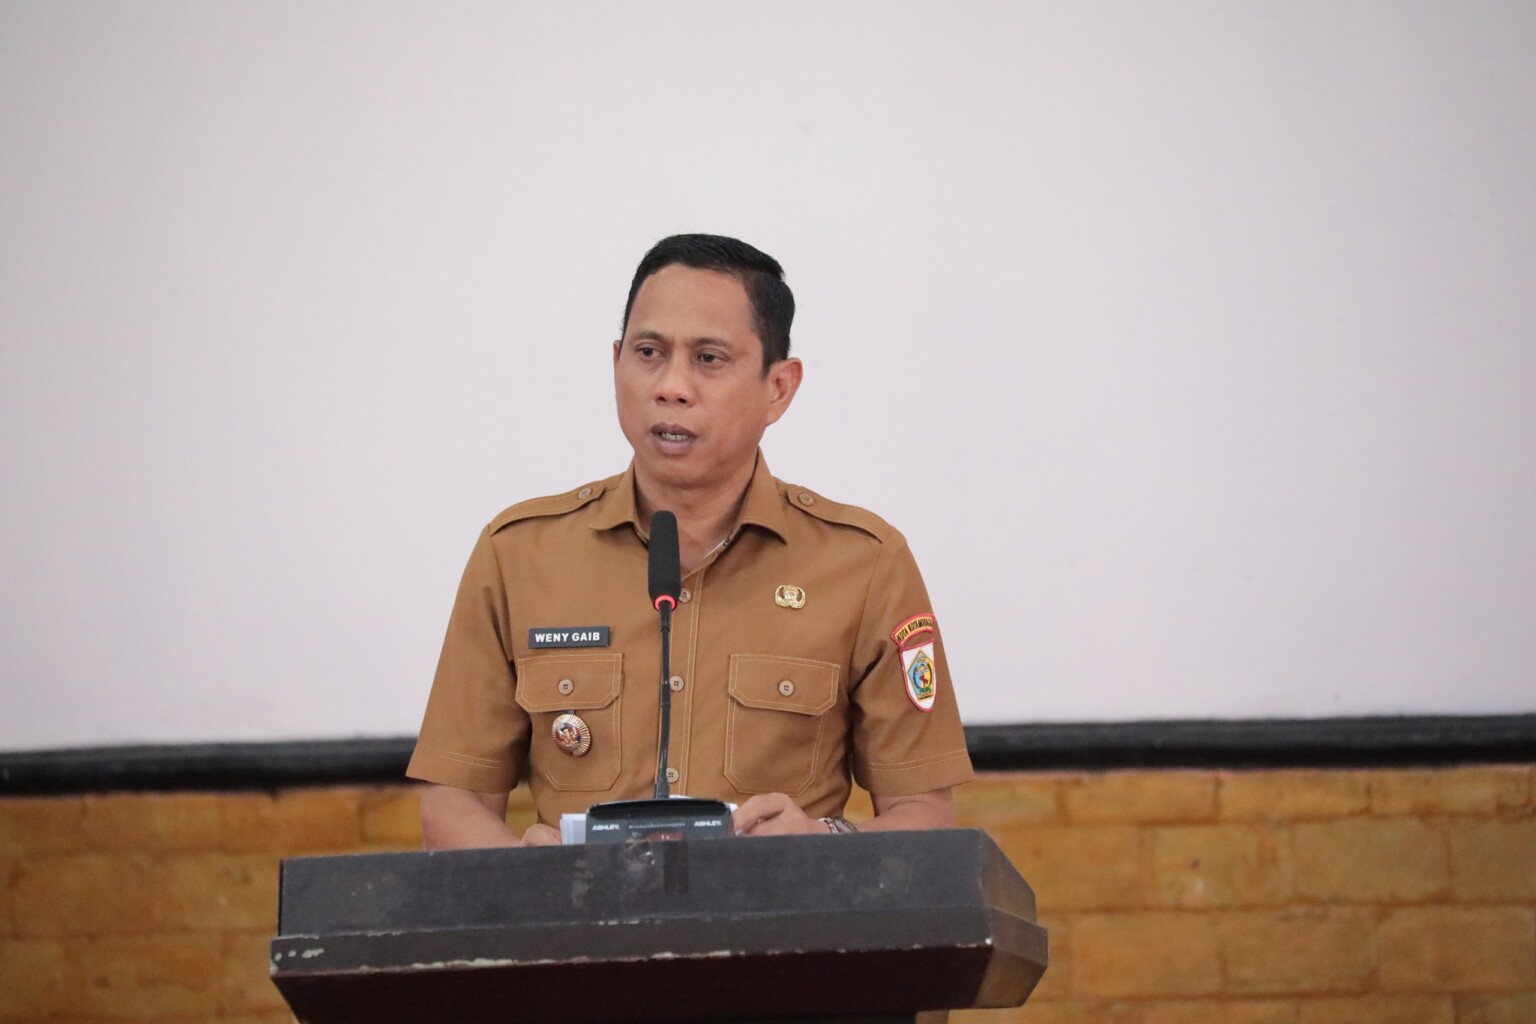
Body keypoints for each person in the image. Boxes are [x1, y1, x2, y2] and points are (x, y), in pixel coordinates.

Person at [407, 234, 972, 847]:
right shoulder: (519, 555)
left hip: (779, 908)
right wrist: (528, 874)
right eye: (649, 352)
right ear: (617, 363)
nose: (671, 386)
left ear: (778, 388)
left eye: (708, 358)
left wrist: (822, 840)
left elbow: (924, 815)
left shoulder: (864, 565)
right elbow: (453, 803)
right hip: (579, 908)